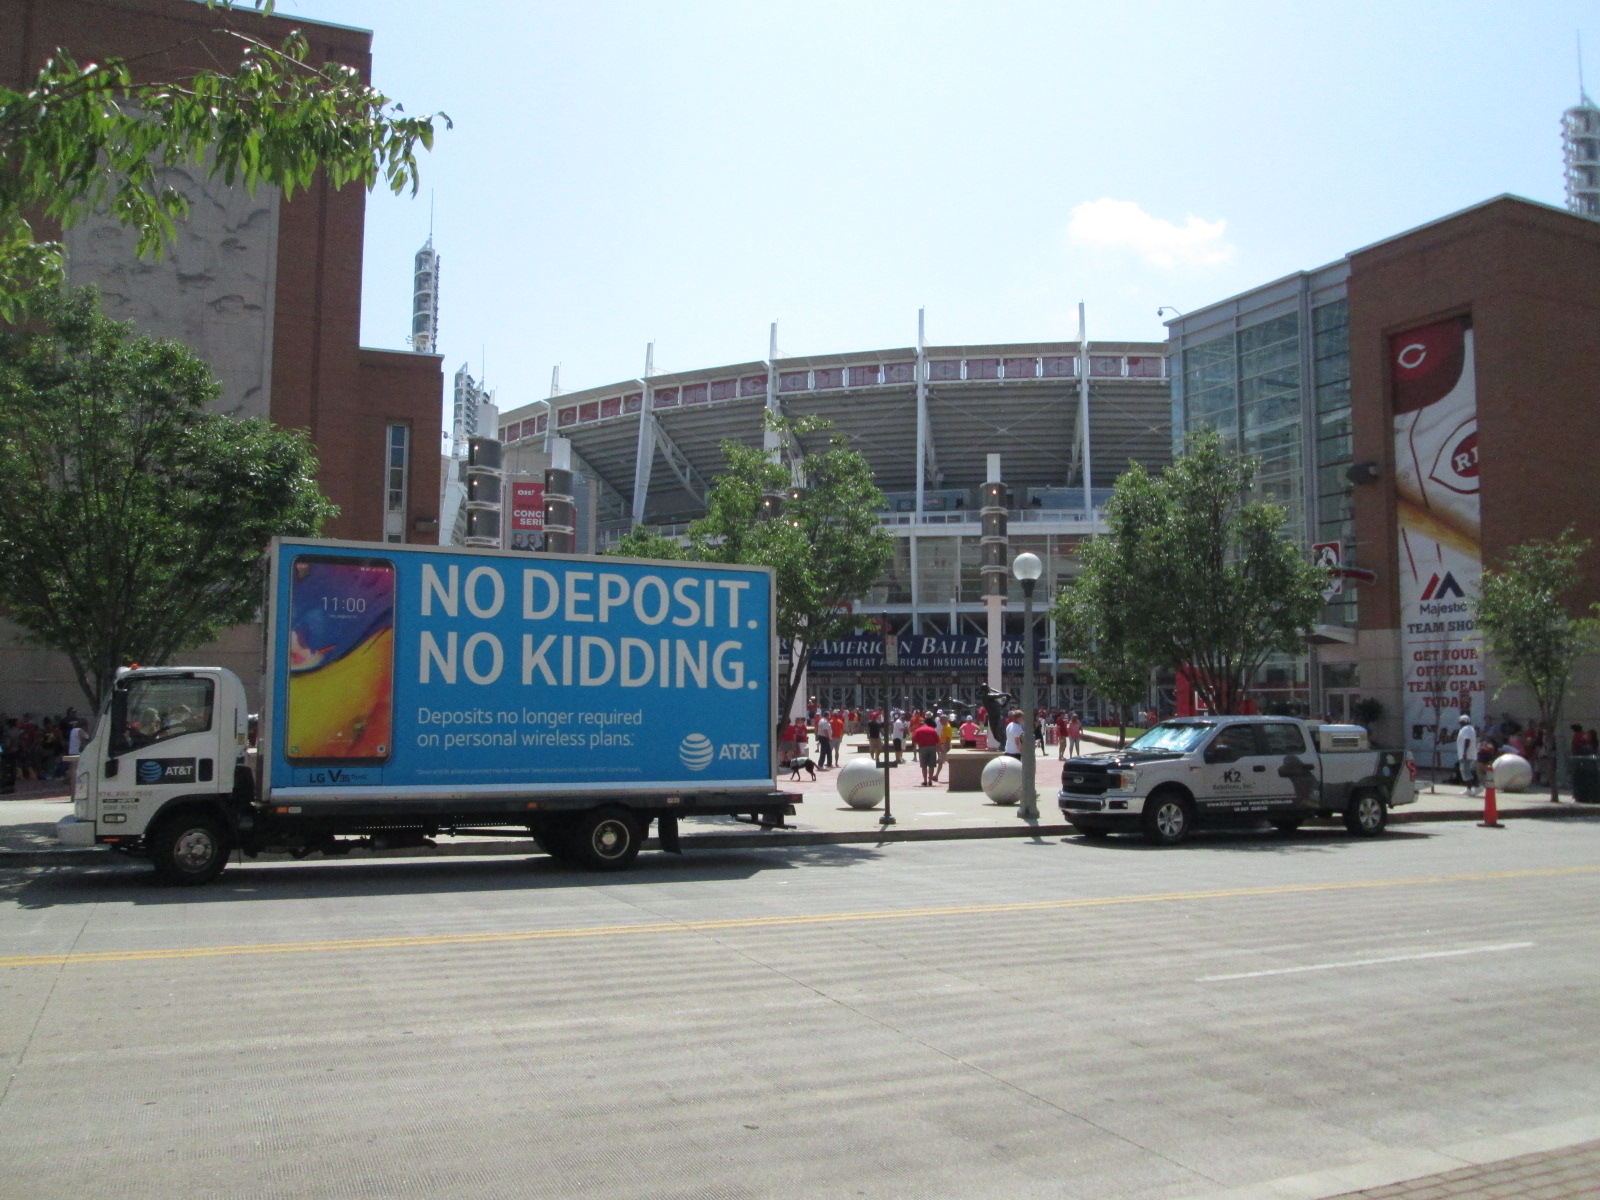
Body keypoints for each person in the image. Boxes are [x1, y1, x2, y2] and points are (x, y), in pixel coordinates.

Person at [911, 718, 941, 786]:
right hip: (932, 748)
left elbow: (914, 741)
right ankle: (930, 780)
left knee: (924, 765)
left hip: (922, 748)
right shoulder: (932, 730)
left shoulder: (918, 730)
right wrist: (940, 749)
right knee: (931, 765)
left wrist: (916, 749)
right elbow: (938, 741)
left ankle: (925, 781)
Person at [1456, 715, 1478, 794]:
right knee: (1466, 772)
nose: (1459, 723)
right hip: (1468, 754)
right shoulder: (1469, 729)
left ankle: (1477, 786)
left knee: (1465, 771)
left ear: (1463, 722)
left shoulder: (1466, 729)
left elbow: (1467, 740)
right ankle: (1469, 789)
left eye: (1460, 722)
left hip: (1466, 755)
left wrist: (1465, 752)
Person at [935, 714, 954, 781]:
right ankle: (936, 776)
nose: (940, 721)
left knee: (943, 761)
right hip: (943, 744)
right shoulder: (944, 726)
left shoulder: (947, 727)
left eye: (941, 719)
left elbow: (948, 738)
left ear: (945, 720)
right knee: (942, 761)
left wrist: (947, 747)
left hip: (945, 745)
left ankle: (936, 776)